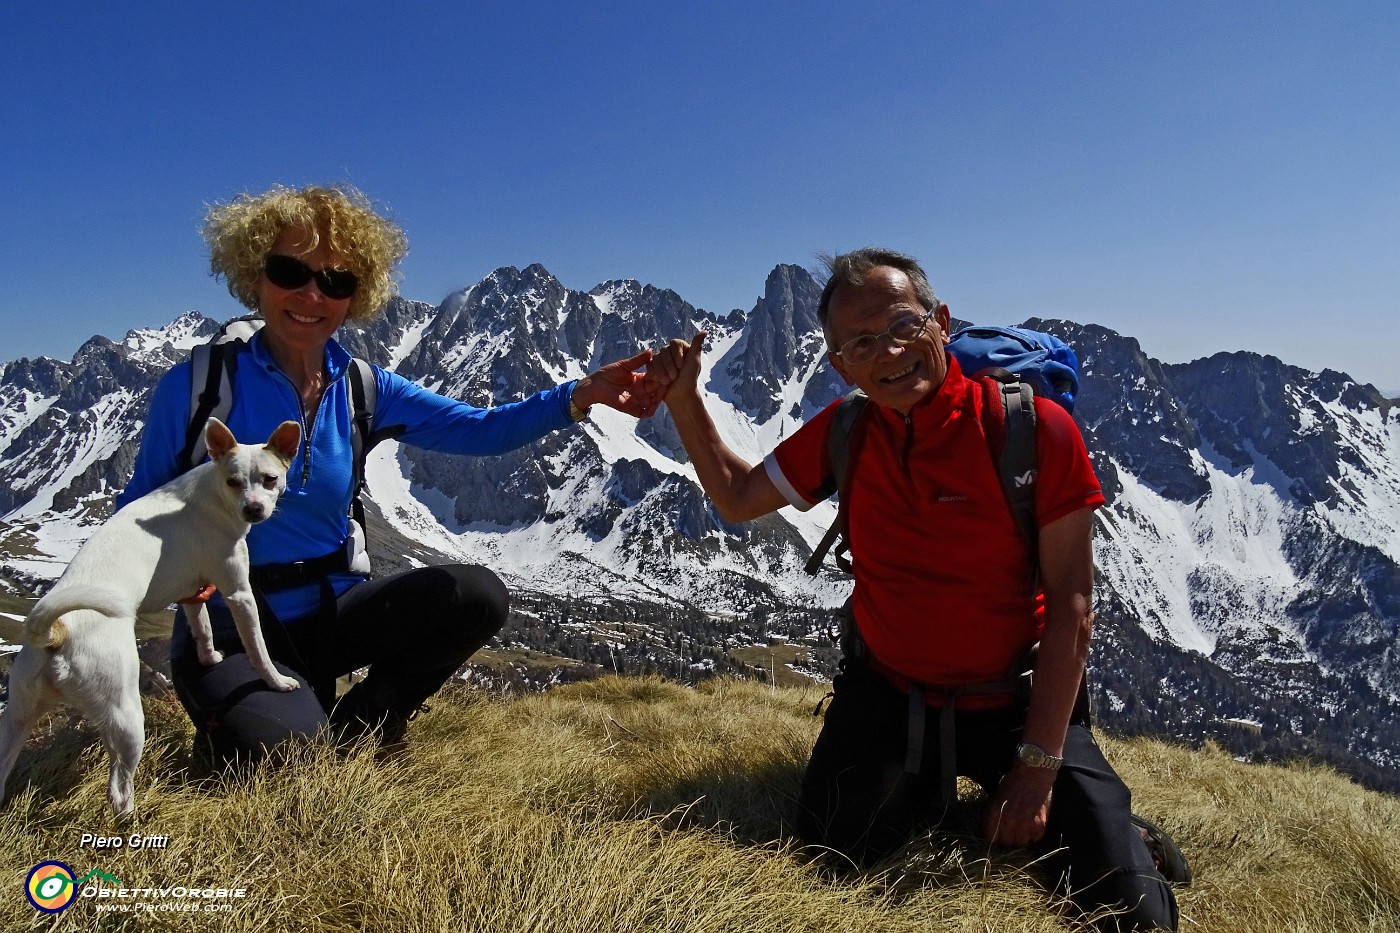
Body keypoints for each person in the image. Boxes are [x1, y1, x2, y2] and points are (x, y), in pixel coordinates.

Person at [649, 248, 1178, 931]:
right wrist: (684, 397)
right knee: (832, 848)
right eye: (863, 343)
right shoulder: (848, 430)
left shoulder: (1033, 430)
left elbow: (1073, 606)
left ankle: (1126, 838)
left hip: (1018, 702)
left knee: (1125, 909)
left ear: (942, 322)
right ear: (840, 365)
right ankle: (937, 793)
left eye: (904, 325)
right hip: (892, 694)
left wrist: (1038, 769)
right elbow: (737, 493)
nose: (890, 352)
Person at [119, 183, 664, 763]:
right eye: (289, 271)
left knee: (477, 597)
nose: (311, 294)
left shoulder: (361, 388)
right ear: (254, 276)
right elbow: (135, 514)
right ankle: (258, 729)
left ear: (355, 297)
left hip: (333, 616)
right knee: (289, 763)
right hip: (232, 627)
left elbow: (477, 429)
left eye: (336, 281)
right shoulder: (201, 386)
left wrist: (580, 396)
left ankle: (365, 726)